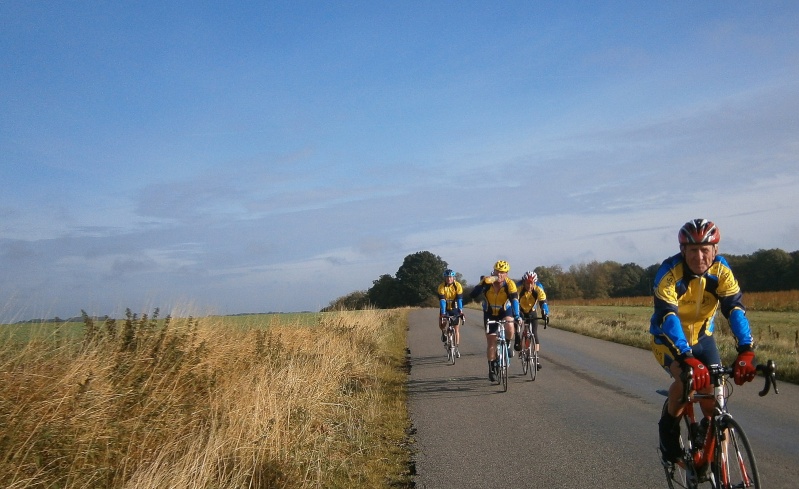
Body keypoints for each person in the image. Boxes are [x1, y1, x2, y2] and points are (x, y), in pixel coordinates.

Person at [650, 219, 756, 465]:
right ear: (683, 250)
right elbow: (668, 316)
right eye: (693, 250)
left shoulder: (721, 271)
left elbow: (735, 309)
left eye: (705, 250)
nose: (699, 257)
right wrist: (687, 357)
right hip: (668, 339)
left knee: (715, 405)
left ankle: (719, 464)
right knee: (687, 380)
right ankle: (668, 431)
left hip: (703, 339)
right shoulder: (668, 272)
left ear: (715, 250)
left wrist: (746, 349)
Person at [470, 260, 521, 381]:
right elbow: (472, 295)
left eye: (503, 272)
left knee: (510, 326)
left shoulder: (510, 284)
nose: (500, 274)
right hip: (490, 312)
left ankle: (507, 343)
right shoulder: (487, 283)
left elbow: (514, 300)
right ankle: (492, 367)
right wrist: (482, 284)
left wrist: (517, 315)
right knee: (491, 341)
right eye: (498, 271)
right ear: (493, 271)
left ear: (507, 273)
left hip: (504, 311)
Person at [516, 270, 550, 370]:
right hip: (520, 310)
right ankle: (518, 340)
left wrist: (545, 313)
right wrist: (517, 314)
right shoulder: (519, 287)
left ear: (534, 283)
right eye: (527, 283)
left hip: (532, 311)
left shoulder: (538, 288)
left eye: (531, 284)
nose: (529, 286)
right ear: (524, 282)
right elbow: (513, 300)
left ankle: (536, 358)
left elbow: (543, 301)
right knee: (518, 328)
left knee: (534, 333)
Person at [437, 268, 464, 358]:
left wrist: (461, 311)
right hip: (445, 308)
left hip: (454, 308)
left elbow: (460, 299)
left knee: (456, 329)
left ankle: (456, 349)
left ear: (453, 278)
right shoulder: (441, 286)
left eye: (451, 277)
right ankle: (443, 332)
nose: (449, 279)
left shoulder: (458, 286)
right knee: (442, 323)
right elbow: (442, 301)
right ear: (445, 278)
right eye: (447, 277)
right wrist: (443, 313)